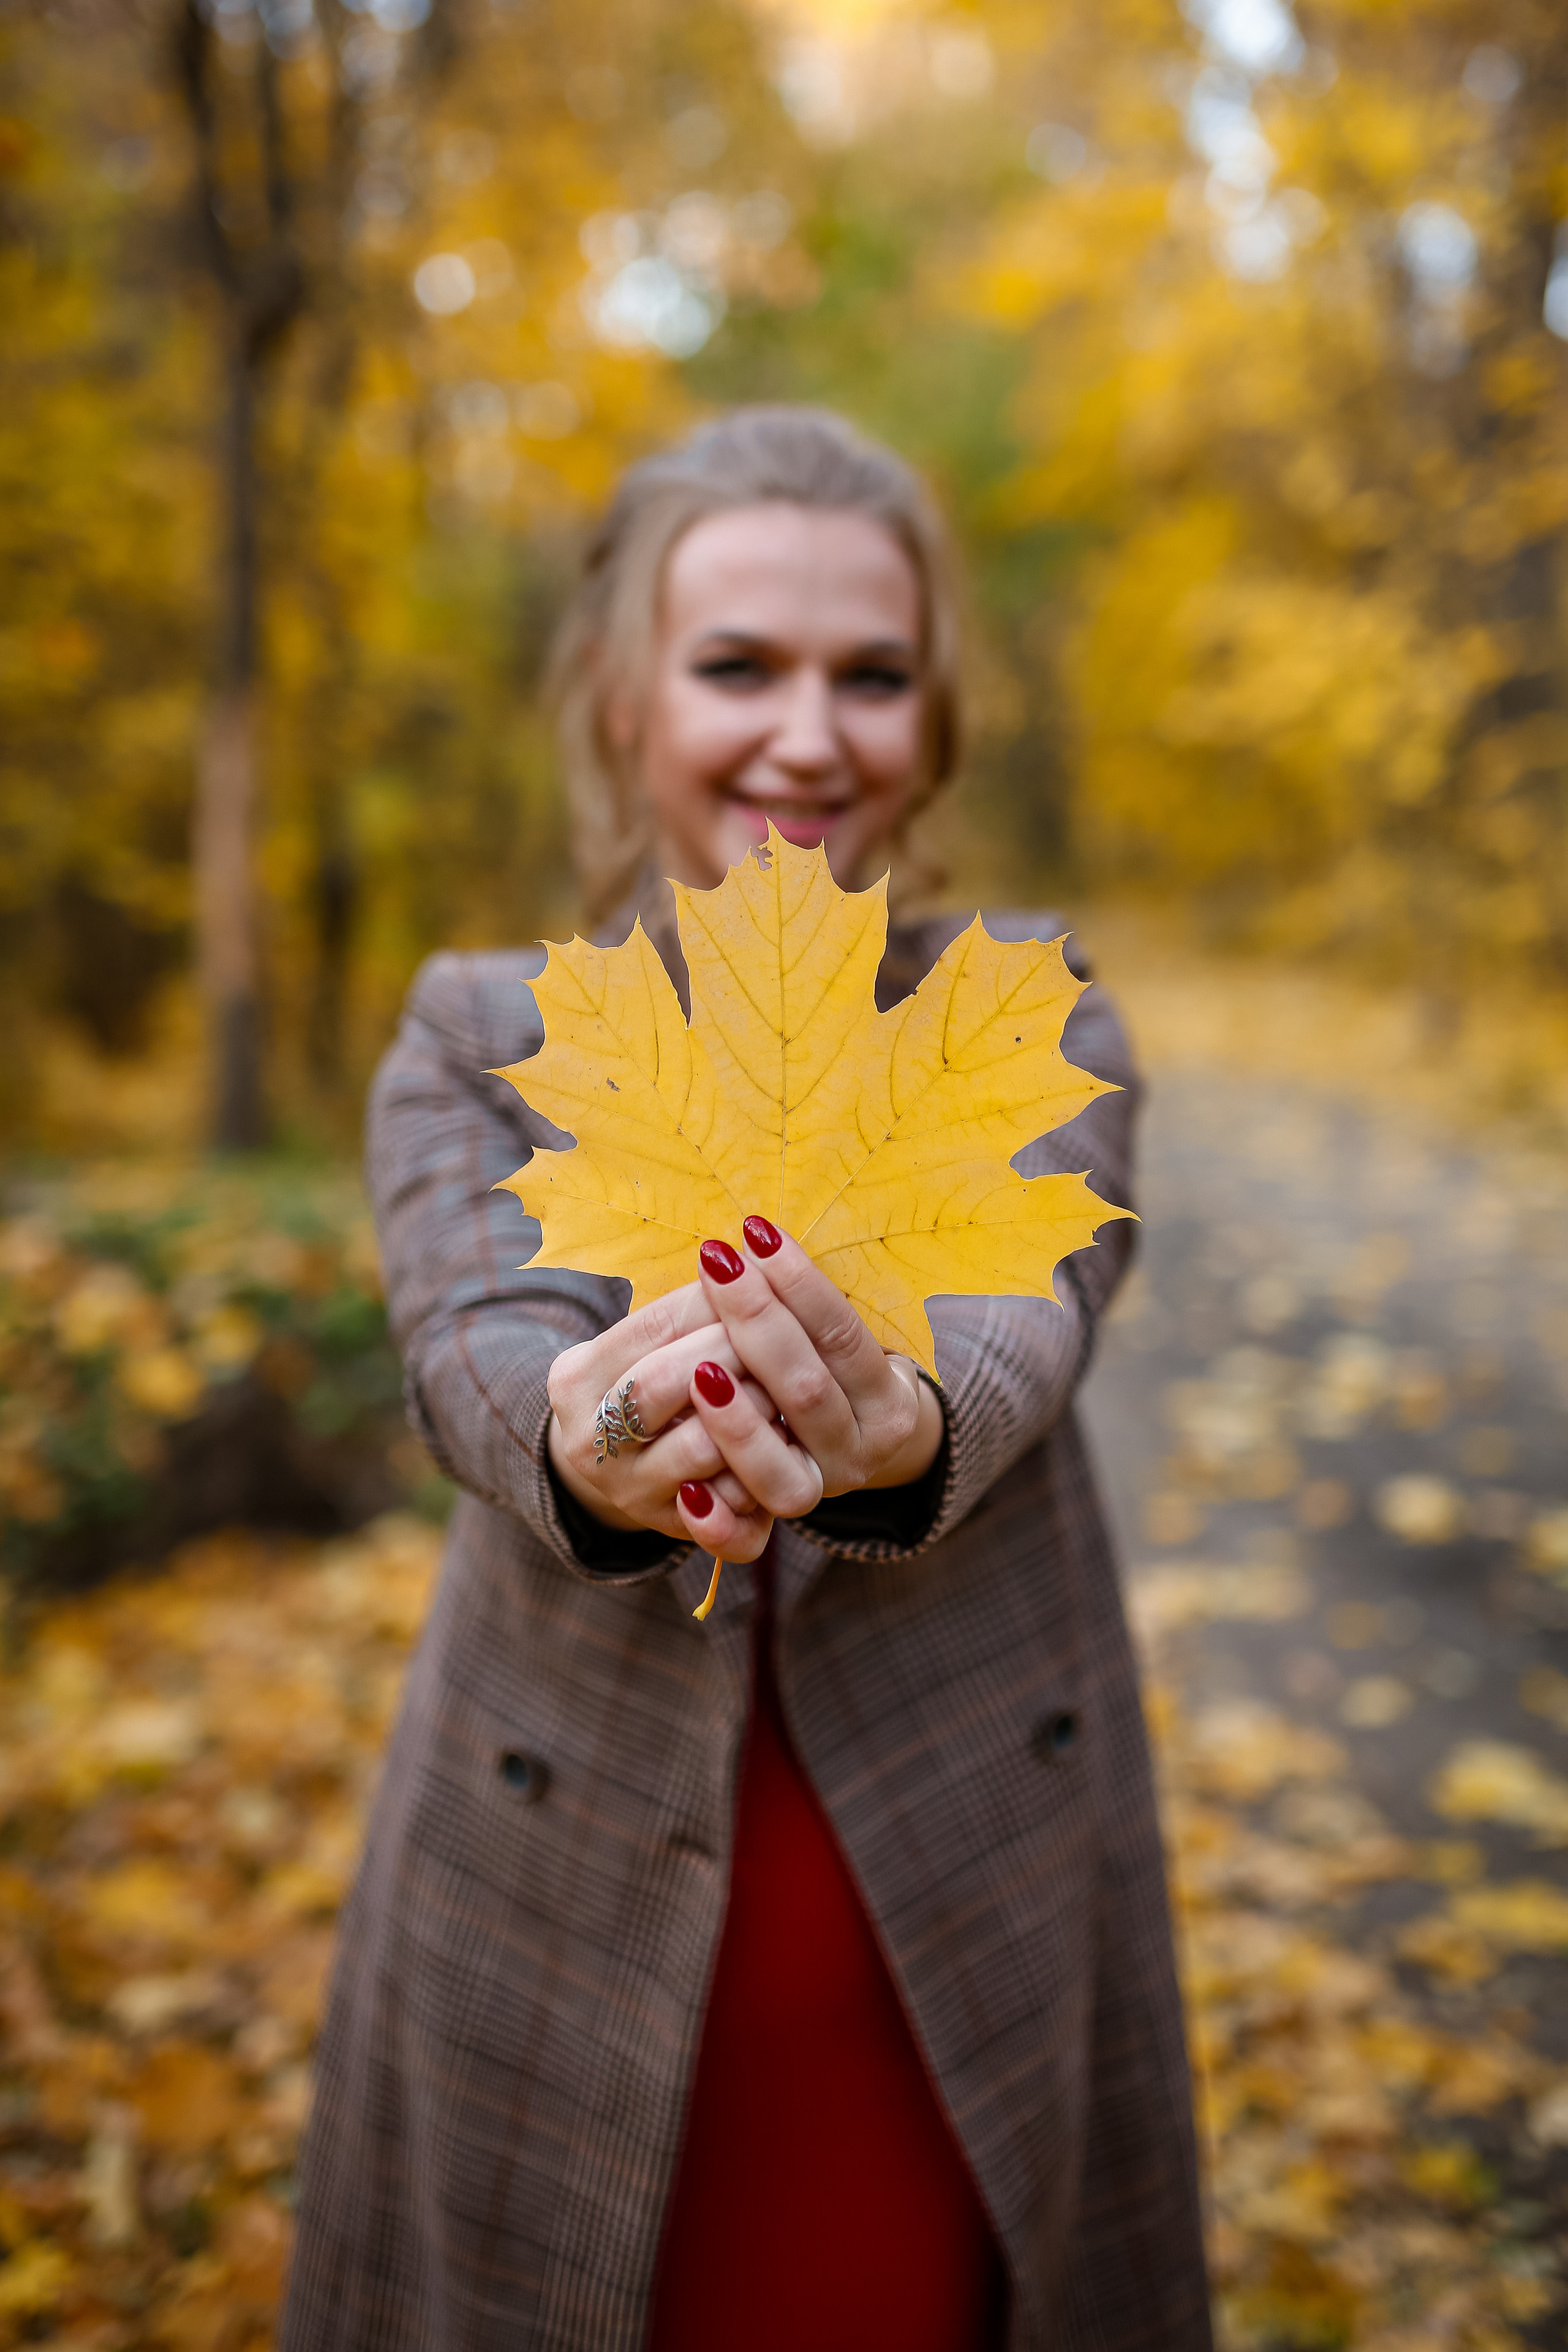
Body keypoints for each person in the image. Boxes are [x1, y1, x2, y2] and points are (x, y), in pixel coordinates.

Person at [281, 406, 1211, 2352]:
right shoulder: (489, 1028)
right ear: (623, 698)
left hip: (962, 1887)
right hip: (556, 1893)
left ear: (934, 722)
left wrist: (910, 1428)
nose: (810, 735)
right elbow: (474, 1339)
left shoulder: (1021, 1014)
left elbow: (1031, 1302)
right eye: (738, 666)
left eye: (872, 674)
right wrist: (585, 1440)